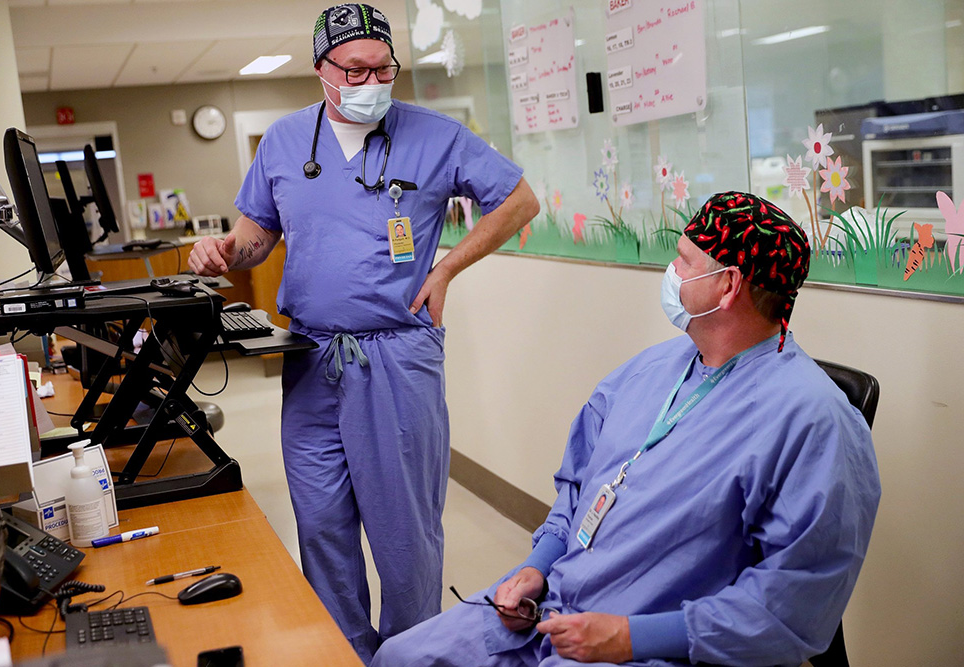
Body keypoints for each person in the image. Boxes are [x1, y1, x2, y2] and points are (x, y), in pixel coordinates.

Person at [371, 192, 881, 667]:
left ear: (728, 286)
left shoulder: (813, 423)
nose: (670, 271)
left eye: (684, 260)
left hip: (655, 645)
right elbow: (577, 486)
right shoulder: (651, 370)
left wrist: (629, 638)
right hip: (550, 609)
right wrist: (538, 566)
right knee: (398, 656)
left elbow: (792, 605)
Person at [188, 4, 539, 662]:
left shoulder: (434, 135)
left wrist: (448, 267)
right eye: (356, 69)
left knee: (403, 533)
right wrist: (223, 252)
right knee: (320, 522)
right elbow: (255, 237)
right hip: (311, 356)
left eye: (384, 68)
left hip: (396, 356)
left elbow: (519, 199)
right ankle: (344, 650)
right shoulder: (285, 143)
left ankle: (410, 654)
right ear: (321, 70)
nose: (372, 80)